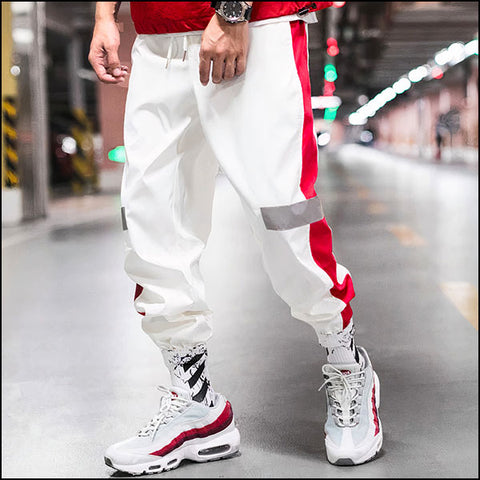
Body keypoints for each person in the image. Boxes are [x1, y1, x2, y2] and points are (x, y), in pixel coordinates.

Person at [89, 1, 383, 474]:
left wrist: (232, 13)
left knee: (282, 215)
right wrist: (105, 16)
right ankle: (197, 405)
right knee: (153, 221)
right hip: (157, 36)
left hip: (254, 26)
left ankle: (347, 361)